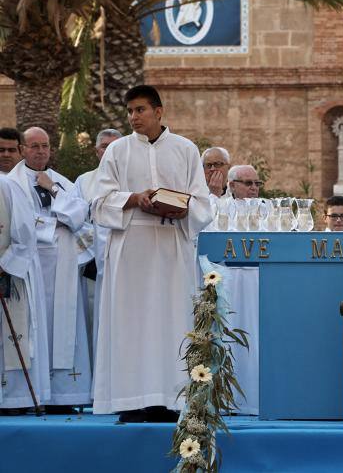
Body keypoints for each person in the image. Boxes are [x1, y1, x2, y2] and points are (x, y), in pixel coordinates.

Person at [92, 85, 213, 423]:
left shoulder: (186, 149)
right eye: (130, 111)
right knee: (130, 321)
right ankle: (130, 401)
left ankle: (167, 400)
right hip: (131, 248)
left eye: (140, 110)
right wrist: (135, 198)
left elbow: (202, 203)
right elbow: (99, 202)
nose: (134, 117)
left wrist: (181, 209)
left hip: (172, 246)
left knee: (171, 320)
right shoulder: (117, 151)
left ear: (159, 112)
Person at [6, 127, 93, 413]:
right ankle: (36, 393)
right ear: (22, 150)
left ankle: (63, 396)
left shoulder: (60, 181)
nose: (41, 151)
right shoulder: (12, 183)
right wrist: (55, 225)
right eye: (34, 146)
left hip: (63, 265)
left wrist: (52, 190)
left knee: (64, 325)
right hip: (29, 266)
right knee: (34, 328)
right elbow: (18, 221)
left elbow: (80, 215)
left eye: (45, 146)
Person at [0, 175, 50, 414]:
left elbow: (25, 235)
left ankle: (14, 399)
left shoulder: (7, 186)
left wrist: (4, 264)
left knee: (11, 334)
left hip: (8, 274)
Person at [74, 129, 123, 362]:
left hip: (128, 267)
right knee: (95, 323)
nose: (110, 150)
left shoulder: (136, 181)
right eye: (105, 146)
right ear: (96, 151)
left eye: (116, 145)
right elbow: (77, 221)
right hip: (93, 267)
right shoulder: (83, 182)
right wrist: (99, 248)